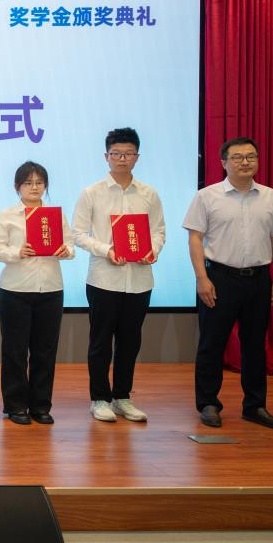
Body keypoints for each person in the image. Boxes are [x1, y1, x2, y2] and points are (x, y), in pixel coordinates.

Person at [183, 137, 273, 430]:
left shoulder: (271, 197)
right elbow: (195, 238)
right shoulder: (207, 196)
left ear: (257, 160)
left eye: (250, 157)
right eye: (237, 157)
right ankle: (208, 403)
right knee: (212, 343)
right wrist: (202, 278)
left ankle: (255, 406)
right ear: (224, 163)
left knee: (255, 344)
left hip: (259, 280)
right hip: (219, 278)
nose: (245, 162)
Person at [71, 127, 165, 423]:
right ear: (106, 156)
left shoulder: (149, 194)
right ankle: (99, 398)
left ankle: (122, 396)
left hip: (139, 279)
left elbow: (158, 231)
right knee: (100, 341)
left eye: (128, 154)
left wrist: (152, 250)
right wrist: (106, 250)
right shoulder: (92, 193)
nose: (122, 159)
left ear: (137, 157)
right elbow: (77, 234)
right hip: (104, 279)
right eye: (116, 154)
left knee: (130, 341)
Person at [0, 161, 74, 425]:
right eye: (28, 183)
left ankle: (40, 405)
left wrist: (66, 251)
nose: (34, 187)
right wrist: (17, 253)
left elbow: (70, 244)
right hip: (15, 289)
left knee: (45, 351)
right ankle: (15, 406)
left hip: (50, 288)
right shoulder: (7, 215)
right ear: (18, 187)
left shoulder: (55, 216)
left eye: (39, 182)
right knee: (14, 351)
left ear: (45, 186)